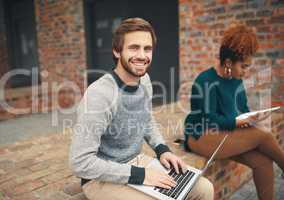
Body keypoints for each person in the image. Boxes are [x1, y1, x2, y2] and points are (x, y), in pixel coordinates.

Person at [69, 18, 214, 200]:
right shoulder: (100, 94)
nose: (142, 55)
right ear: (116, 50)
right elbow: (80, 163)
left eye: (147, 49)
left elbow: (145, 118)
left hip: (135, 163)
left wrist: (162, 149)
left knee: (204, 188)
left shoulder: (144, 81)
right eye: (134, 48)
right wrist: (141, 175)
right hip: (99, 179)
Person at [183, 24, 284, 200]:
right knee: (264, 135)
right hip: (202, 135)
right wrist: (239, 123)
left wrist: (252, 118)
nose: (246, 72)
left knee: (263, 162)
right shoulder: (205, 80)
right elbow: (211, 119)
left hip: (226, 133)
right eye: (244, 66)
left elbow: (243, 110)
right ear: (228, 63)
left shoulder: (236, 80)